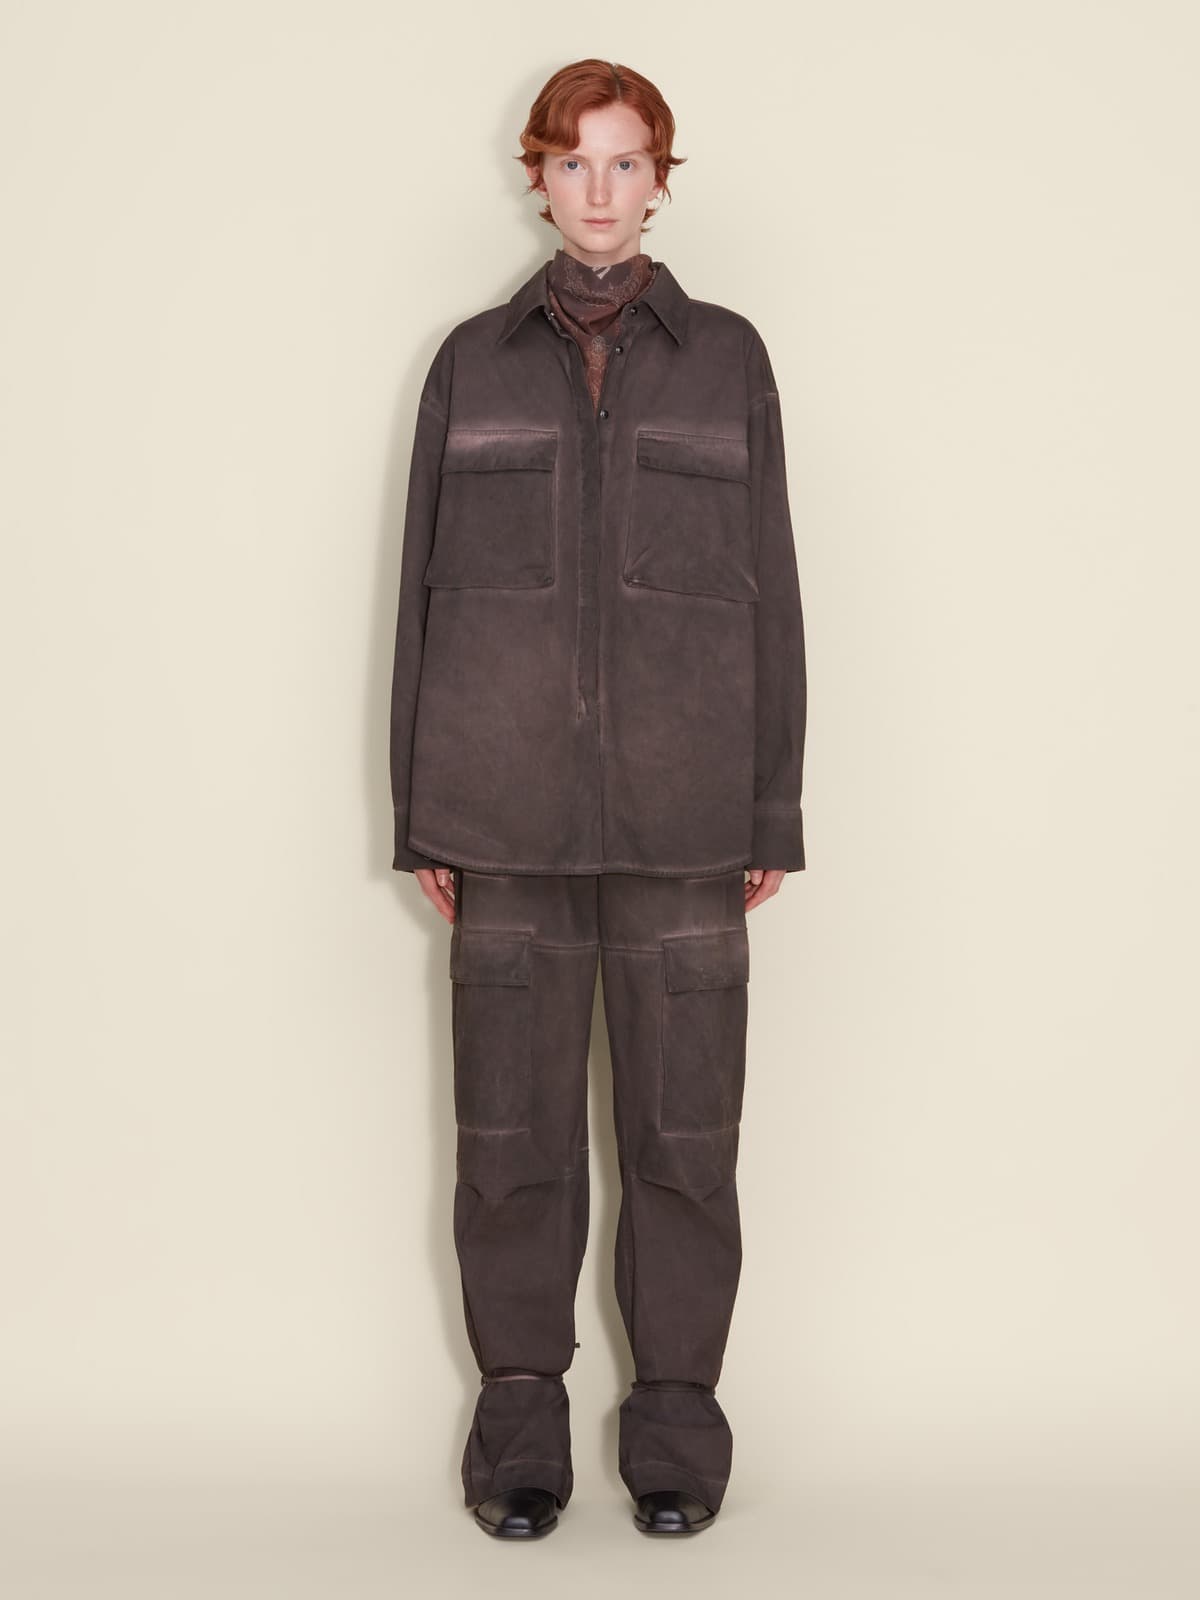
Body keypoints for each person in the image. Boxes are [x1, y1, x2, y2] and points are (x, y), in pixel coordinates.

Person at [388, 57, 807, 1539]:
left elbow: (772, 591)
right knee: (509, 1148)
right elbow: (423, 597)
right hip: (502, 822)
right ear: (539, 178)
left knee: (687, 1145)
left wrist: (770, 809)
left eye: (628, 163)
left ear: (660, 180)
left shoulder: (729, 359)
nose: (601, 191)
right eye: (576, 163)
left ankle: (677, 1432)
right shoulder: (471, 364)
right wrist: (424, 813)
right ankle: (520, 1438)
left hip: (688, 825)